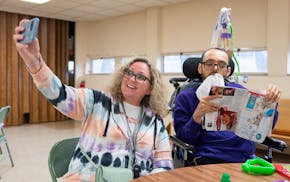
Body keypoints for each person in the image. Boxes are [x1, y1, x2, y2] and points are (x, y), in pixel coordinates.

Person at [13, 19, 173, 181]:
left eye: (140, 77)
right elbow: (61, 95)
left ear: (151, 88)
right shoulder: (98, 102)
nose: (132, 79)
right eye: (129, 72)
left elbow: (164, 165)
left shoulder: (154, 122)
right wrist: (35, 63)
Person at [173, 47, 281, 165]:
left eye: (221, 65)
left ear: (228, 71)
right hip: (208, 158)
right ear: (200, 68)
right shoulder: (186, 97)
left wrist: (270, 103)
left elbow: (263, 129)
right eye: (209, 64)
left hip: (245, 158)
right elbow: (183, 140)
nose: (215, 69)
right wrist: (197, 116)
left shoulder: (241, 92)